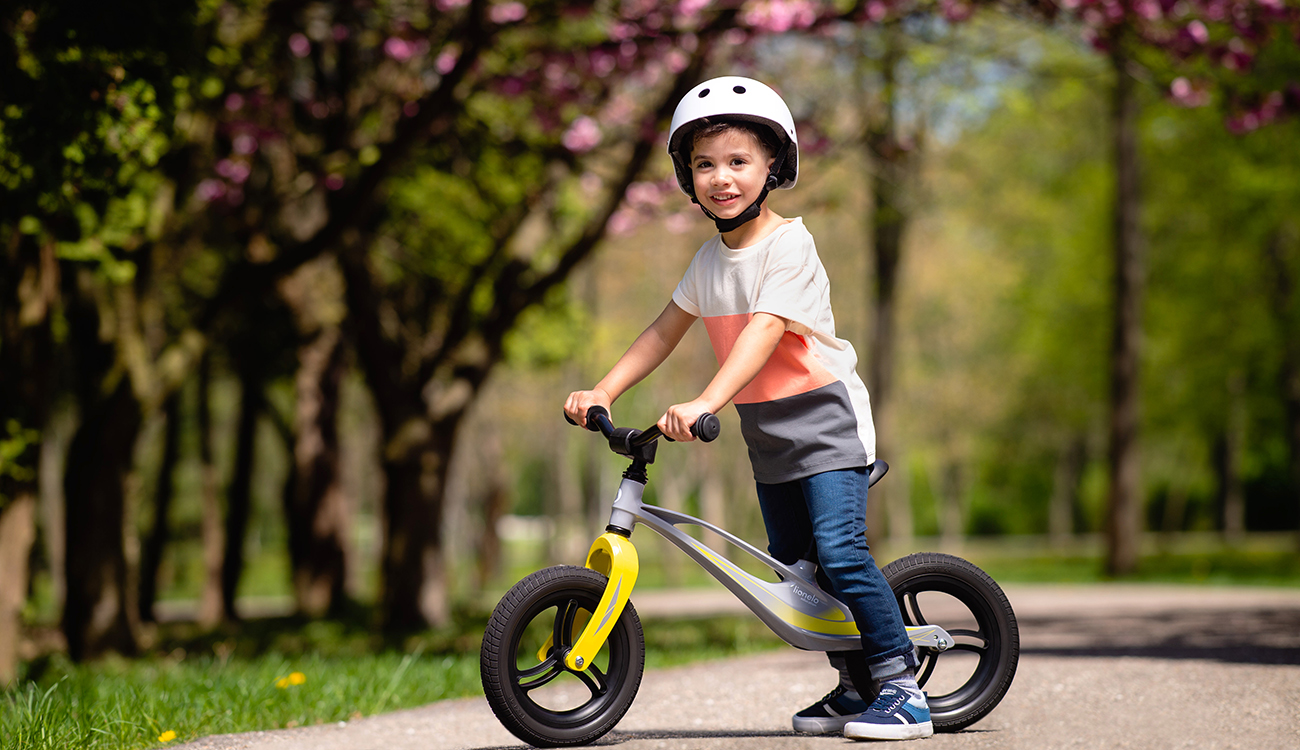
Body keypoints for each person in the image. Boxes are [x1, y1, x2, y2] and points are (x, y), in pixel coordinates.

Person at [563, 76, 931, 742]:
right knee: (797, 568)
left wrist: (706, 399)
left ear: (773, 168)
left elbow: (764, 330)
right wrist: (604, 390)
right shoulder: (707, 261)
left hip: (826, 420)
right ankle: (855, 688)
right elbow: (661, 332)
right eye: (705, 163)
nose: (720, 177)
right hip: (768, 432)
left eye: (738, 161)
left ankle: (902, 689)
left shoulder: (789, 245)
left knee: (842, 555)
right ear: (687, 175)